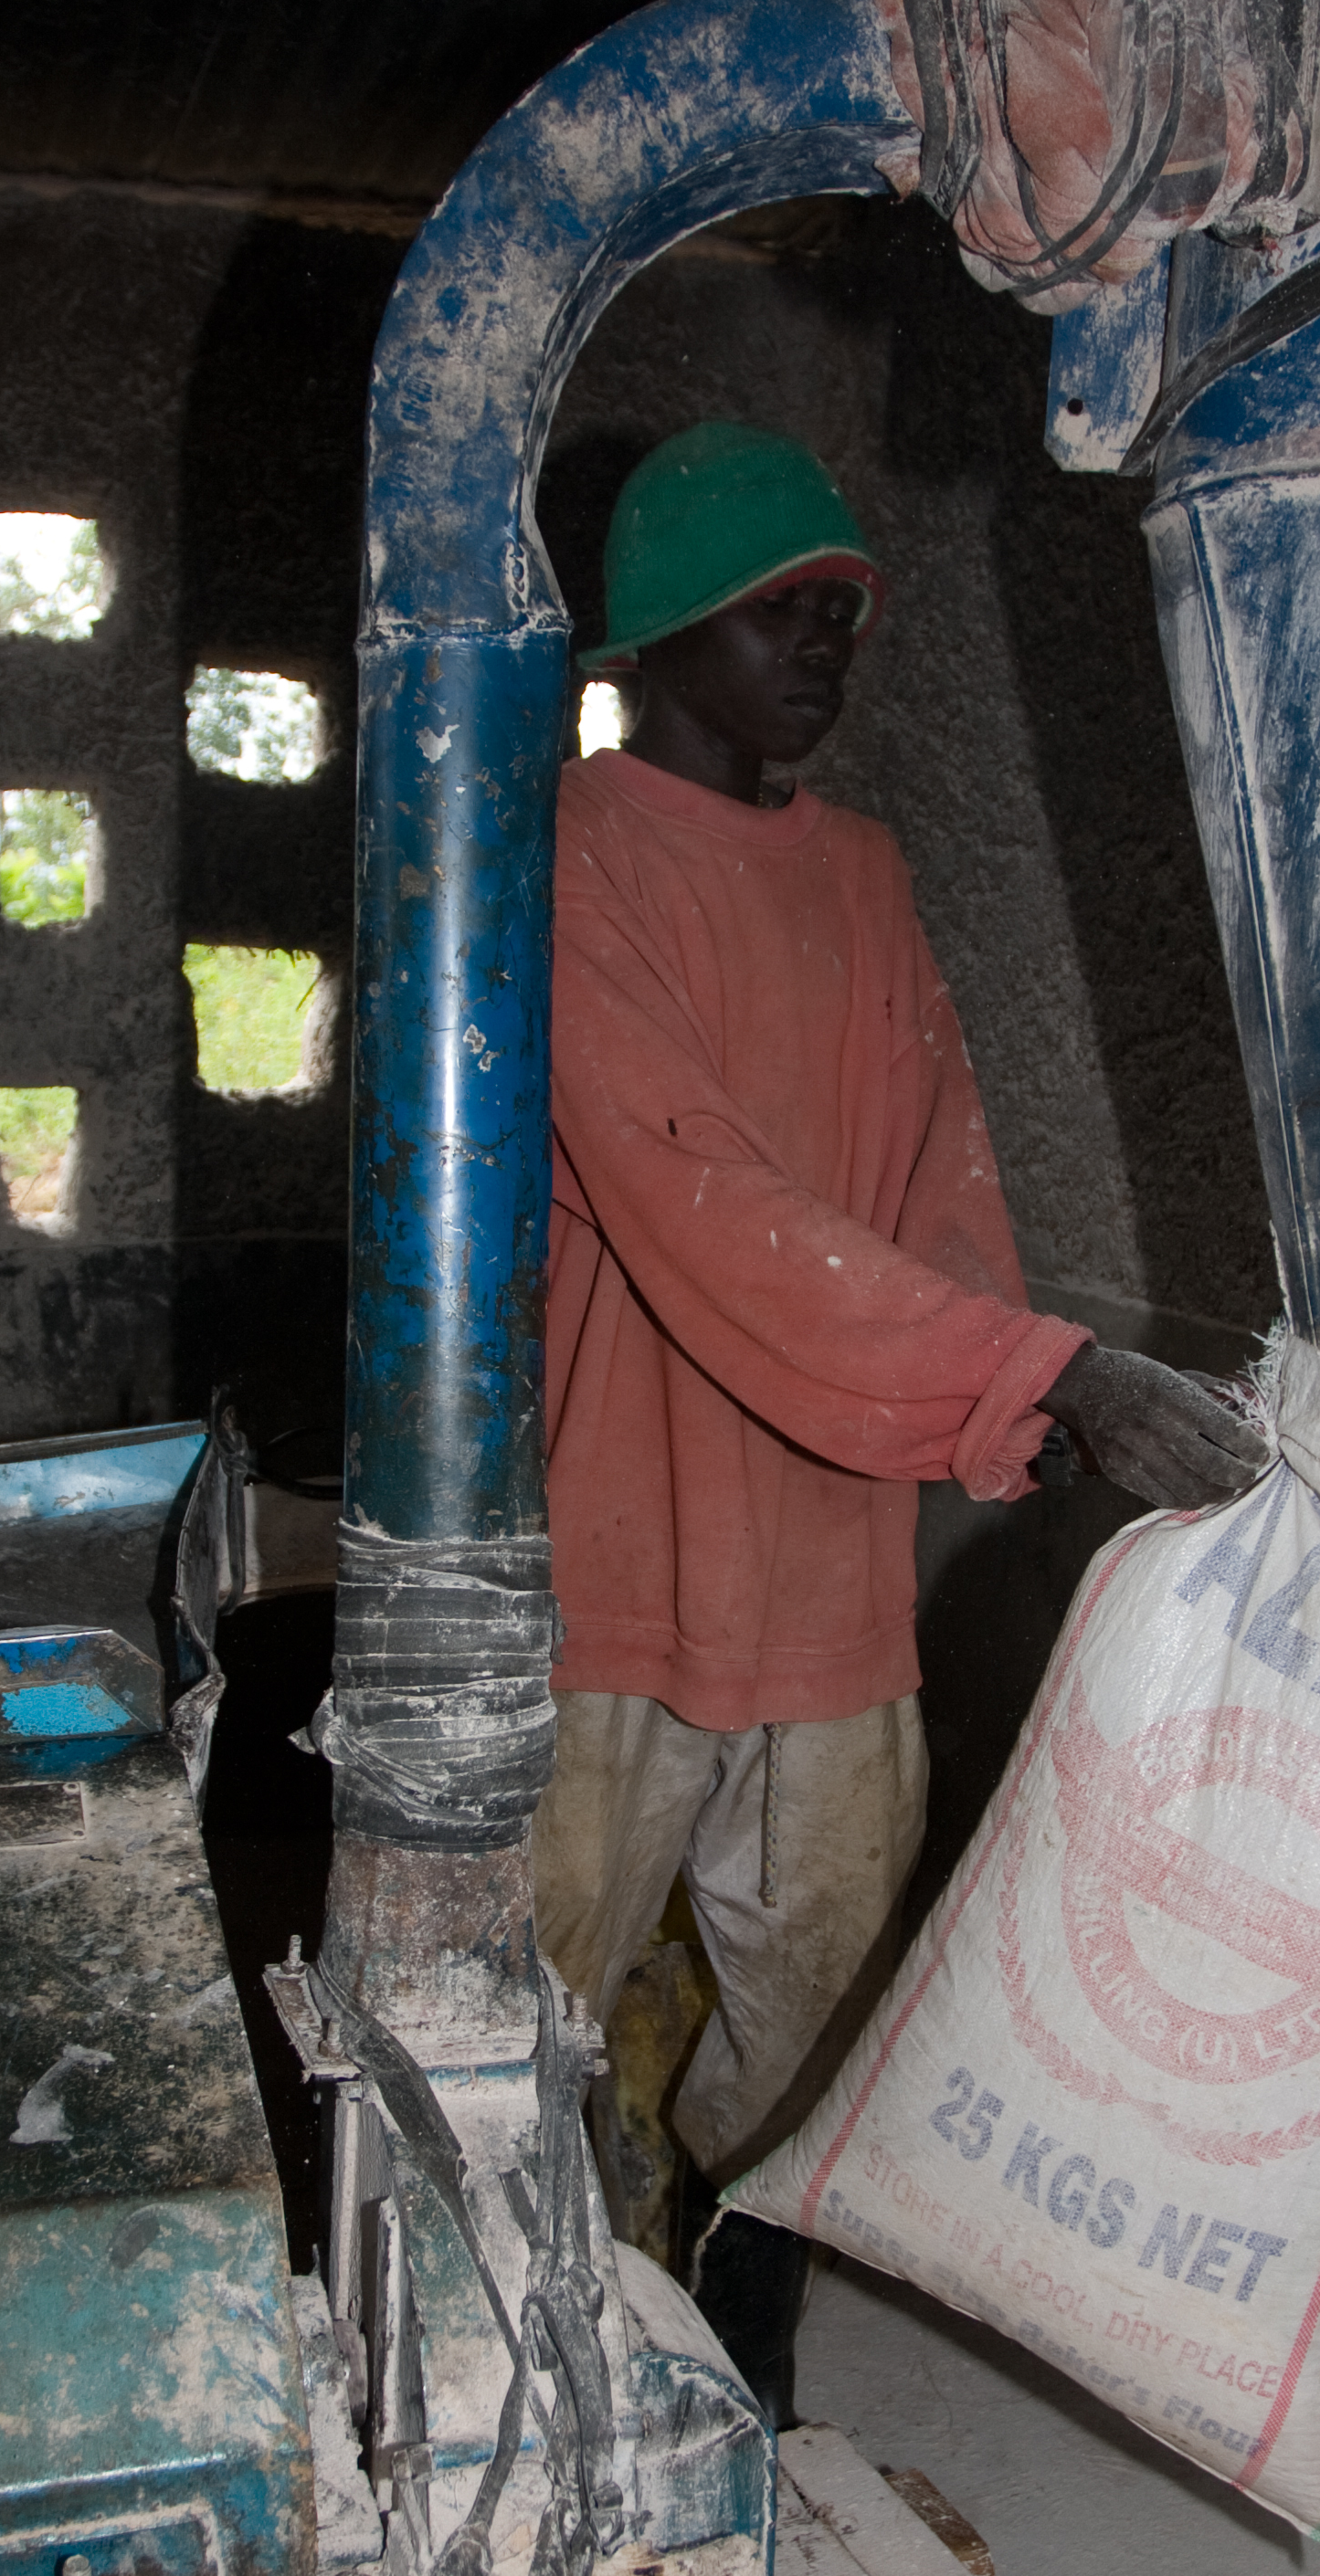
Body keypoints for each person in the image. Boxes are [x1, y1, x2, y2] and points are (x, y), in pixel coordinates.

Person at [533, 421, 1268, 2422]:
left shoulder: (864, 879)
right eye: (789, 605)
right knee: (515, 2011)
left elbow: (945, 1185)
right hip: (610, 1560)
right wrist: (1036, 1374)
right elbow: (697, 1198)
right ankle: (538, 2372)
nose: (828, 639)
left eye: (844, 607)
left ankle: (739, 2362)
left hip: (830, 1573)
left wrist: (1010, 1397)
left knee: (833, 2001)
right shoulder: (570, 855)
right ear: (667, 627)